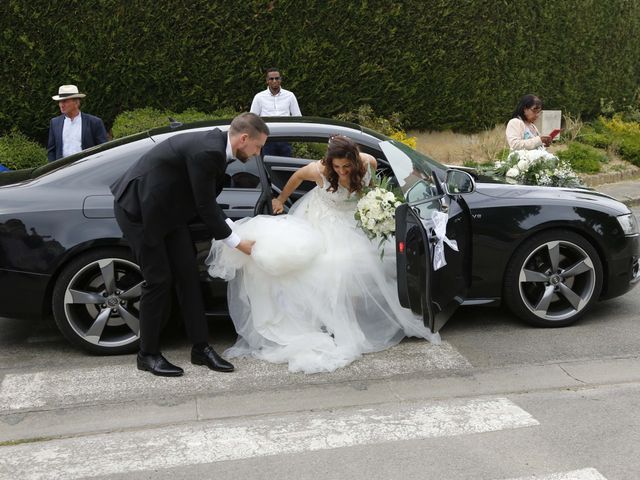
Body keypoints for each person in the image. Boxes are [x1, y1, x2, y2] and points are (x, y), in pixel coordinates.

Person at [207, 136, 440, 374]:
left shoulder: (368, 162)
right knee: (331, 265)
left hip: (353, 220)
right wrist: (280, 199)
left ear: (354, 160)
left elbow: (370, 189)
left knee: (369, 264)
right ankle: (330, 321)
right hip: (322, 220)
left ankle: (354, 314)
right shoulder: (318, 170)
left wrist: (375, 204)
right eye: (336, 167)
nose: (341, 171)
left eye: (346, 166)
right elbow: (296, 177)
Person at [110, 112, 269, 377]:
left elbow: (205, 200)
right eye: (258, 147)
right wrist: (237, 242)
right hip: (139, 210)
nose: (257, 153)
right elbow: (205, 206)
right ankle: (147, 355)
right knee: (158, 280)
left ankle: (200, 348)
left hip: (170, 212)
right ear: (244, 139)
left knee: (188, 276)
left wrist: (232, 228)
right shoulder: (209, 151)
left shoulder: (218, 149)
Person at [47, 85, 108, 162]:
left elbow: (103, 149)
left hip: (87, 168)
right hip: (63, 170)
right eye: (60, 101)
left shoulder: (94, 122)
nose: (61, 105)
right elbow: (51, 151)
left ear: (76, 102)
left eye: (65, 101)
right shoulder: (55, 123)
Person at [250, 67, 301, 157]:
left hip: (285, 138)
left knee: (286, 167)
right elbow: (252, 119)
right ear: (267, 80)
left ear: (280, 79)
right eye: (271, 79)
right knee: (267, 168)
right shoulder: (259, 97)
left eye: (277, 78)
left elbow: (297, 117)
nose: (274, 81)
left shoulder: (290, 96)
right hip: (267, 139)